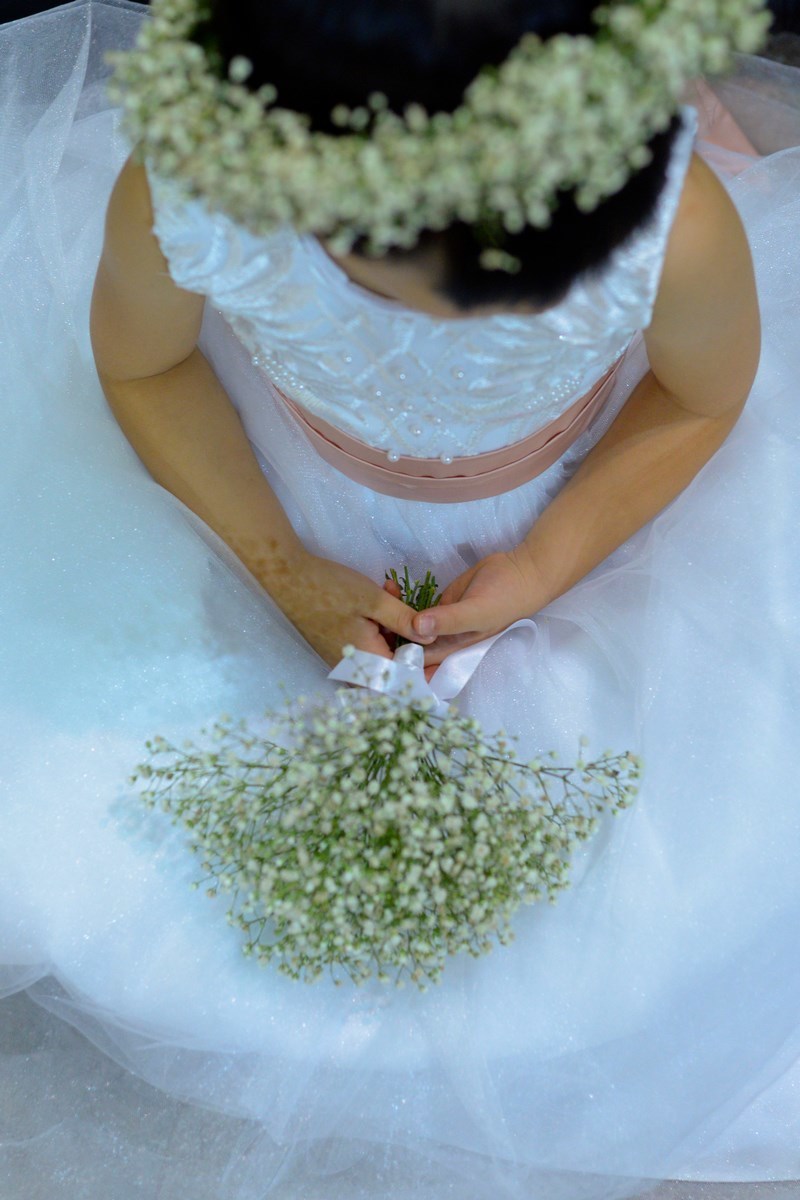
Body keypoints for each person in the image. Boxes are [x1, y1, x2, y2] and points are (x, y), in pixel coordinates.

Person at [1, 0, 800, 1197]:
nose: (460, 306)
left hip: (570, 487)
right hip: (276, 474)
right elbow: (146, 363)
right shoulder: (198, 186)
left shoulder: (668, 222)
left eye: (518, 278)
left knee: (679, 879)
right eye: (404, 269)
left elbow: (696, 395)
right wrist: (279, 568)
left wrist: (548, 561)